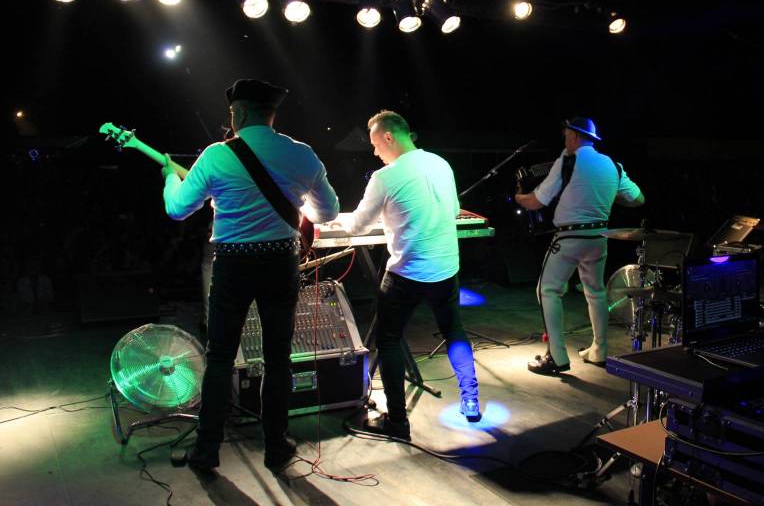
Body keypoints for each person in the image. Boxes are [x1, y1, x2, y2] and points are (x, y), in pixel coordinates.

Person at [161, 79, 339, 471]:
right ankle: (276, 446)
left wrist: (170, 178)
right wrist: (295, 205)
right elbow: (328, 212)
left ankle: (207, 449)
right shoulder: (302, 154)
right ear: (271, 114)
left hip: (233, 265)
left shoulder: (216, 155)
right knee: (278, 358)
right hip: (280, 263)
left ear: (238, 113)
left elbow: (177, 209)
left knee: (220, 356)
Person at [335, 110, 480, 439]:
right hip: (446, 268)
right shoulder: (440, 163)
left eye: (375, 144)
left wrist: (339, 221)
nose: (375, 152)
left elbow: (358, 226)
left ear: (388, 137)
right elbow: (453, 210)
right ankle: (470, 401)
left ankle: (397, 421)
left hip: (408, 273)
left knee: (388, 340)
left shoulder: (385, 177)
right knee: (454, 331)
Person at [516, 117, 644, 374]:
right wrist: (603, 194)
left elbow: (538, 201)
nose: (565, 140)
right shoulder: (612, 165)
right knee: (596, 292)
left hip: (569, 237)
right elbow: (637, 198)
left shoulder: (568, 160)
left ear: (574, 136)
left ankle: (556, 356)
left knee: (547, 290)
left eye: (566, 136)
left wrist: (519, 198)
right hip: (599, 237)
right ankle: (599, 351)